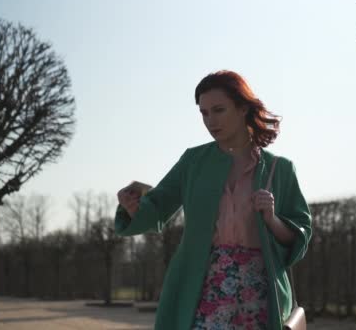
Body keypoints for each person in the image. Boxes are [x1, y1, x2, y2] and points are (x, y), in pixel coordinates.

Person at [115, 70, 312, 329]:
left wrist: (271, 218)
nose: (210, 121)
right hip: (204, 284)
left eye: (219, 110)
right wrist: (133, 208)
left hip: (262, 291)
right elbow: (157, 205)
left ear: (242, 108)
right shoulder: (193, 162)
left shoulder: (281, 169)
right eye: (204, 113)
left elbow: (299, 236)